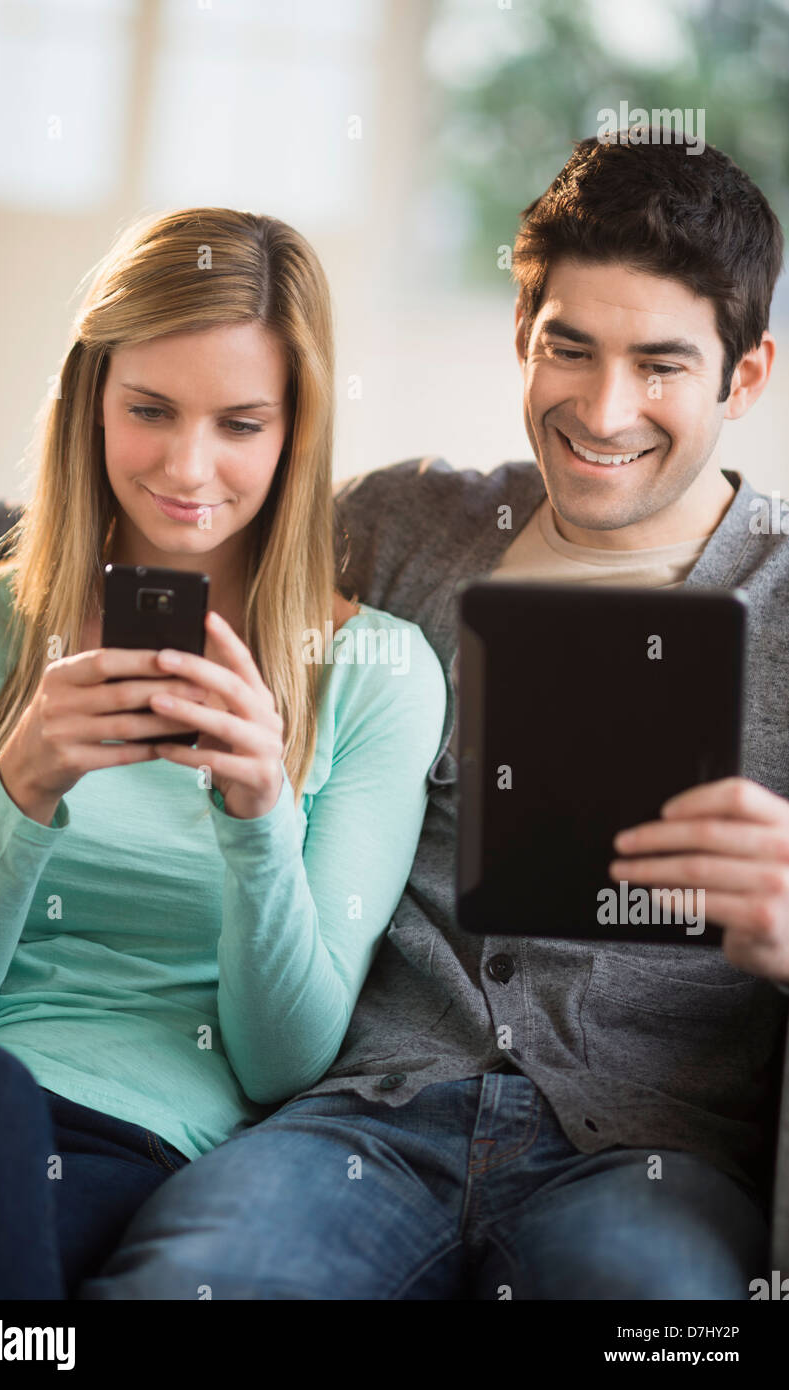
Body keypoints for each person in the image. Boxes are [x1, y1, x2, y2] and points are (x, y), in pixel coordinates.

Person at [79, 131, 789, 1302]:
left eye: (661, 364)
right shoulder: (401, 528)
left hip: (642, 1154)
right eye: (571, 348)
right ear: (523, 336)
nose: (605, 411)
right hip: (364, 1120)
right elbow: (165, 520)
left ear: (745, 375)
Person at [0, 207, 447, 1299]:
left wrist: (260, 819)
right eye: (148, 410)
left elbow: (284, 1061)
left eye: (241, 423)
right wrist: (20, 790)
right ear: (89, 405)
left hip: (123, 1139)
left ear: (297, 432)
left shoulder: (374, 675)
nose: (186, 465)